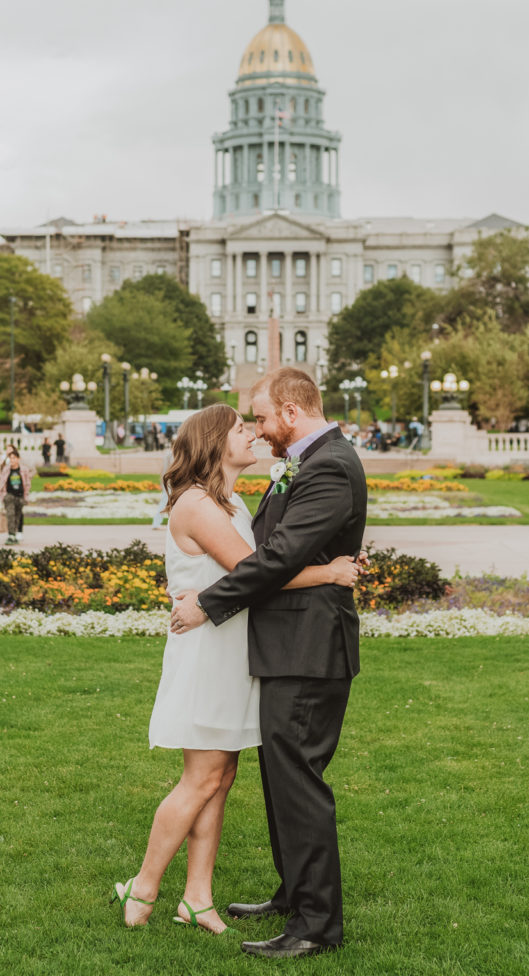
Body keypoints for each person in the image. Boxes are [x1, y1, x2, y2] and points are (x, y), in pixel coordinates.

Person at [112, 404, 361, 935]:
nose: (253, 433)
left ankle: (197, 897)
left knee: (221, 777)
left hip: (231, 649)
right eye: (242, 429)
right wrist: (331, 572)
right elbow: (256, 572)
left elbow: (254, 568)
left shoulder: (227, 500)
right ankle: (143, 884)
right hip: (207, 652)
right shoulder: (199, 504)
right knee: (201, 778)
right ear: (214, 442)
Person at [171, 367, 368, 959]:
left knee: (300, 784)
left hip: (309, 648)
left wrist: (208, 604)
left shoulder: (331, 464)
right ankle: (293, 894)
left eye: (260, 417)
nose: (257, 430)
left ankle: (315, 926)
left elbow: (277, 557)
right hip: (287, 644)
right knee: (282, 779)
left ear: (289, 412)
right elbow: (266, 550)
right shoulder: (306, 461)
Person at [1, 449, 31, 545]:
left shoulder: (24, 469)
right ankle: (11, 535)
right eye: (11, 458)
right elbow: (2, 482)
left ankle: (14, 535)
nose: (12, 460)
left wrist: (25, 496)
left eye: (14, 458)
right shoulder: (6, 469)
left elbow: (27, 483)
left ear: (18, 459)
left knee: (17, 516)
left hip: (20, 496)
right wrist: (3, 495)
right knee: (10, 514)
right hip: (9, 496)